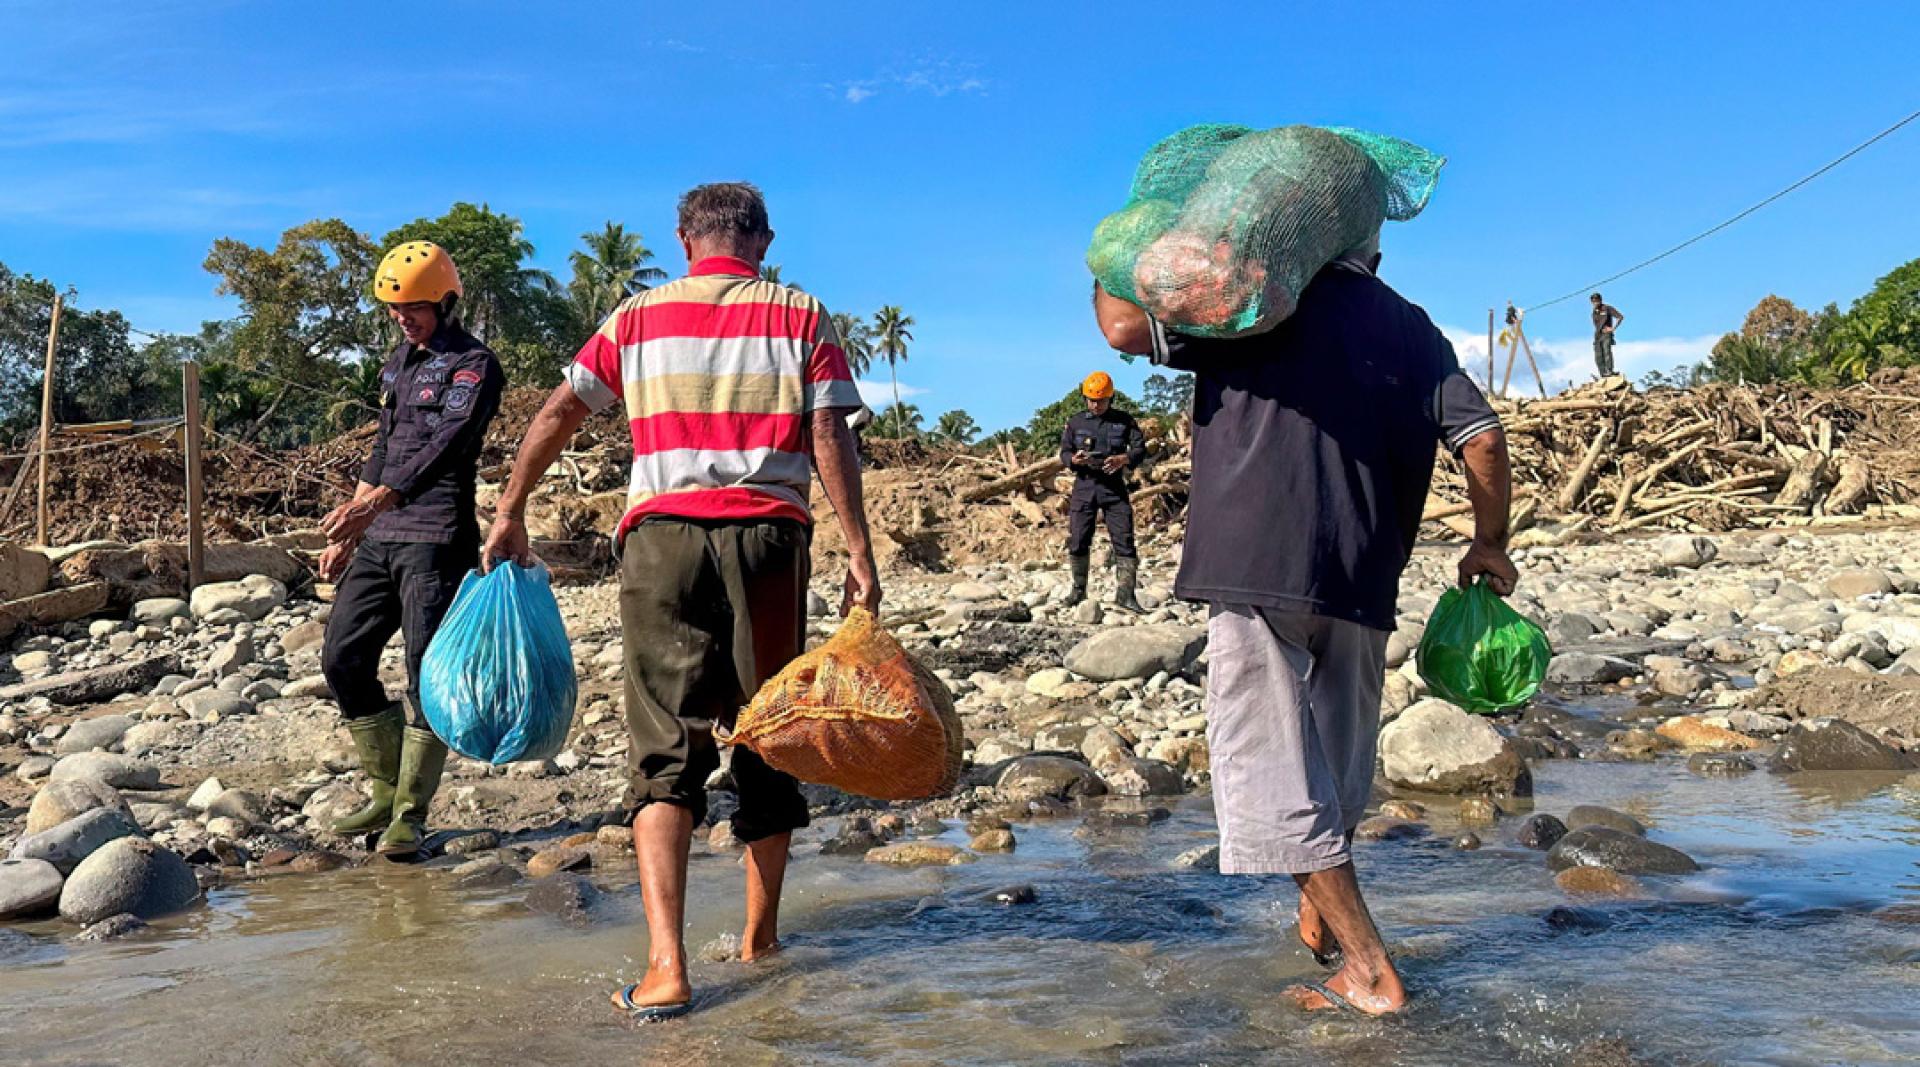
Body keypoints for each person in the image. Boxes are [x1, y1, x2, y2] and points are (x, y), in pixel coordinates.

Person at [482, 182, 878, 1022]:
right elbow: (828, 433)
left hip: (662, 539)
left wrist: (511, 507)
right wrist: (860, 552)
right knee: (769, 727)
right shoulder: (800, 313)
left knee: (665, 747)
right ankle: (760, 938)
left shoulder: (636, 316)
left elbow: (561, 409)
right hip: (768, 538)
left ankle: (667, 968)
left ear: (682, 239)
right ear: (762, 240)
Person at [1093, 232, 1515, 1017]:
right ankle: (1321, 906)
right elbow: (1483, 440)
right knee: (1337, 773)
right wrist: (1489, 543)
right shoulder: (1413, 327)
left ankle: (1369, 971)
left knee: (1273, 775)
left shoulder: (1249, 301)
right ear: (1372, 251)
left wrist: (1128, 242)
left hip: (1256, 568)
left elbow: (1121, 325)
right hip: (1364, 578)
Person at [316, 240, 506, 857]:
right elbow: (385, 445)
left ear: (445, 303)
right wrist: (353, 523)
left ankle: (409, 812)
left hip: (436, 537)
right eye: (395, 309)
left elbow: (446, 444)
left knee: (426, 673)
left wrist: (376, 503)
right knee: (342, 657)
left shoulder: (474, 365)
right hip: (380, 535)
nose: (403, 319)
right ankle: (383, 789)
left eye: (415, 308)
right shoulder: (398, 361)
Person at [1059, 370, 1147, 612]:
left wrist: (1123, 459)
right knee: (1078, 539)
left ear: (1111, 398)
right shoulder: (1076, 422)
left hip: (1114, 488)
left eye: (1101, 401)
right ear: (1085, 398)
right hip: (1084, 486)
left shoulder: (1124, 420)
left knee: (1124, 540)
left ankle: (1126, 595)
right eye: (1091, 400)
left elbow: (1140, 449)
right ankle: (1078, 591)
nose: (1096, 405)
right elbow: (1064, 452)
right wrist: (1074, 460)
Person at [1590, 292, 1624, 378]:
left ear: (1600, 300)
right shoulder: (1594, 312)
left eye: (1597, 301)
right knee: (1598, 356)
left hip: (1606, 334)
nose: (1595, 303)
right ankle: (1603, 373)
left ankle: (1609, 371)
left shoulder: (1607, 308)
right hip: (1598, 336)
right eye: (1593, 301)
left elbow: (1620, 317)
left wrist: (1613, 328)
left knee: (1607, 352)